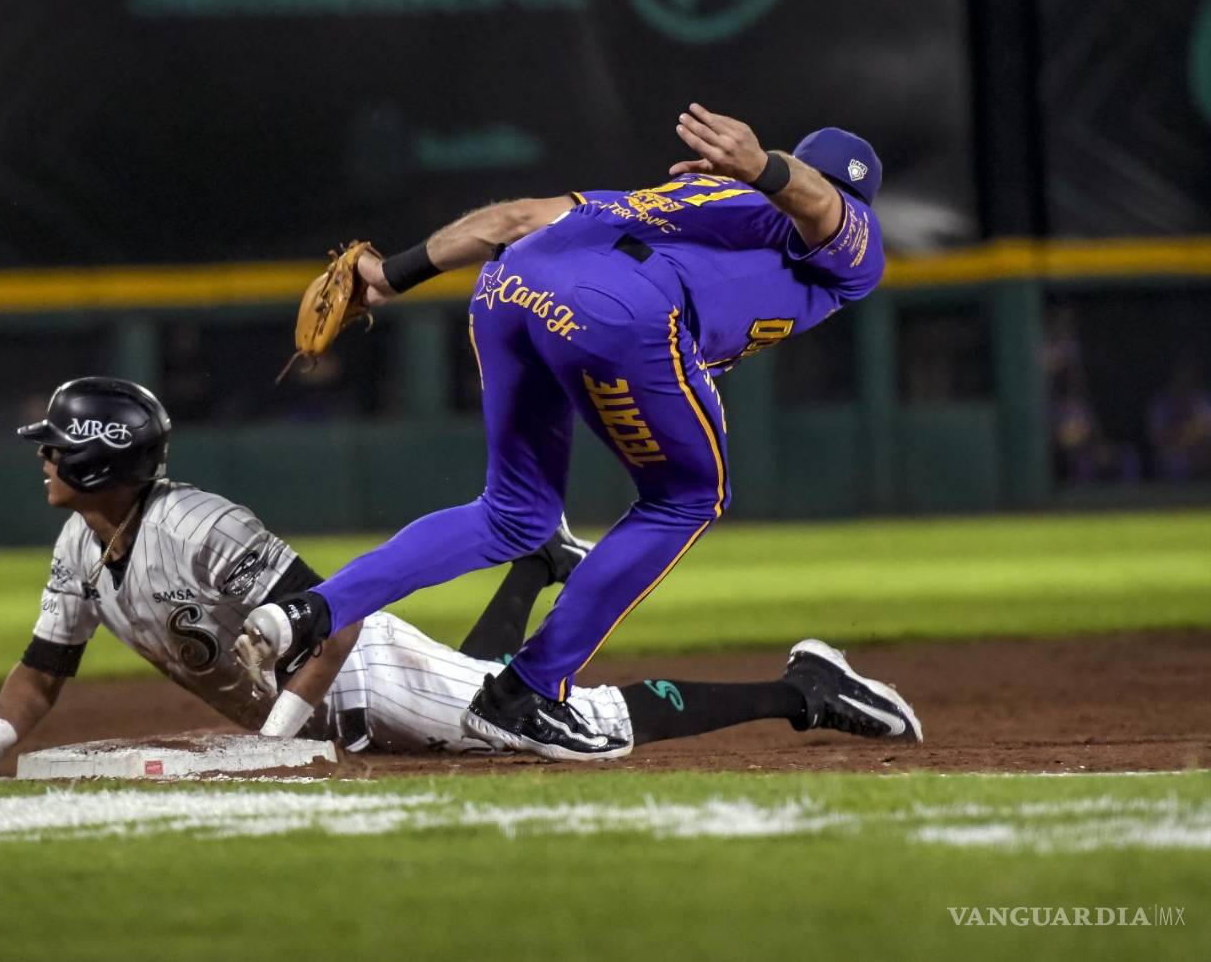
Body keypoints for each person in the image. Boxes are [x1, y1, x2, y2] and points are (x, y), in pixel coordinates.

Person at [237, 105, 901, 760]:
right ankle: (528, 692)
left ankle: (307, 613)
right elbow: (824, 208)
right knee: (689, 496)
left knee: (514, 514)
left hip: (509, 285)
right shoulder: (844, 236)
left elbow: (511, 220)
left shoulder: (686, 194)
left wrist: (389, 274)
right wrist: (762, 168)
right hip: (620, 312)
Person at [0, 375, 919, 779]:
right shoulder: (80, 546)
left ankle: (804, 690)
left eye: (54, 446)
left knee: (575, 735)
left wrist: (270, 750)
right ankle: (530, 573)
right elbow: (42, 669)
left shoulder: (199, 529)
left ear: (94, 461)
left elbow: (328, 623)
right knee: (479, 712)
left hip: (358, 672)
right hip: (328, 702)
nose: (40, 458)